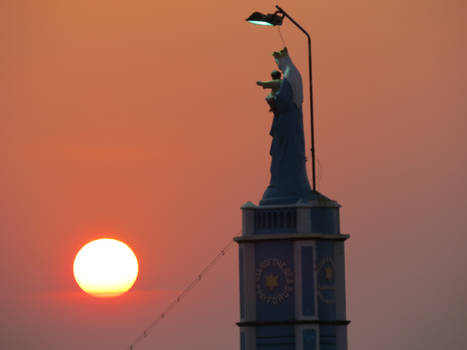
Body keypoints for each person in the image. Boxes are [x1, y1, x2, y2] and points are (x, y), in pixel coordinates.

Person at [260, 47, 314, 205]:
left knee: (283, 156)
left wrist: (271, 100)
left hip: (287, 125)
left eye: (278, 63)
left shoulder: (289, 77)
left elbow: (283, 103)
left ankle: (283, 187)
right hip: (291, 123)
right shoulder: (294, 76)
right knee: (287, 154)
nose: (278, 66)